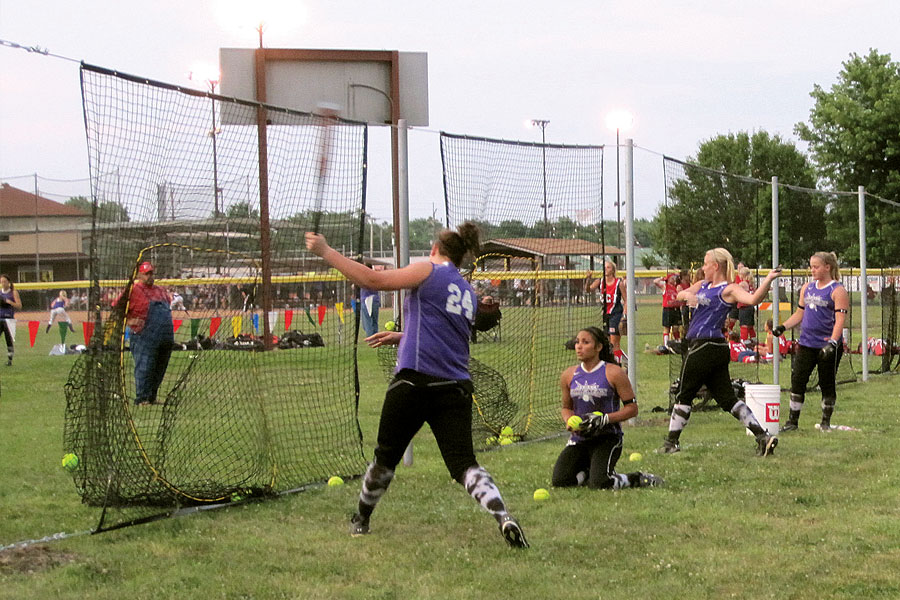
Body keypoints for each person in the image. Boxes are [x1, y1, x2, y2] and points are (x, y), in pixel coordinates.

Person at [305, 222, 528, 549]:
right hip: (455, 386)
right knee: (464, 465)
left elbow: (373, 280)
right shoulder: (465, 290)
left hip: (415, 381)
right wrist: (402, 336)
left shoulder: (427, 269)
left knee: (385, 458)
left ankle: (362, 518)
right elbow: (449, 333)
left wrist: (325, 251)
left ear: (436, 249)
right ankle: (502, 514)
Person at [660, 248, 782, 456]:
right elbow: (682, 293)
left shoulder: (727, 289)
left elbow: (752, 300)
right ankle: (762, 436)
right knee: (727, 399)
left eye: (706, 263)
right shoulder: (704, 285)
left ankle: (671, 443)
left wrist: (769, 279)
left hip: (704, 345)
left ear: (715, 266)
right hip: (713, 348)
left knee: (684, 394)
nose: (703, 267)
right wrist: (689, 296)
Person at [552, 326, 664, 490]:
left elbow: (632, 409)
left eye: (585, 342)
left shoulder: (614, 373)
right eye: (577, 342)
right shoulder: (569, 375)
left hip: (607, 438)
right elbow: (566, 408)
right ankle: (589, 472)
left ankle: (635, 478)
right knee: (560, 481)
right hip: (580, 439)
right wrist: (568, 420)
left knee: (600, 484)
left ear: (599, 347)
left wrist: (604, 419)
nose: (579, 346)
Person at [773, 252, 849, 432]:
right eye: (811, 266)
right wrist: (783, 327)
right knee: (797, 380)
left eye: (816, 267)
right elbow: (800, 313)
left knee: (827, 382)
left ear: (827, 267)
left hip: (826, 345)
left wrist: (832, 342)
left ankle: (825, 422)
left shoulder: (837, 290)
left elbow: (839, 320)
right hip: (807, 343)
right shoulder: (807, 288)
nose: (812, 270)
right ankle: (792, 421)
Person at [122, 261, 173, 406]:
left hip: (164, 336)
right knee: (144, 365)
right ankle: (142, 398)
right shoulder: (133, 290)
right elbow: (117, 308)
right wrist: (130, 321)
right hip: (143, 335)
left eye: (151, 273)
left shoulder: (160, 290)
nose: (149, 276)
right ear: (139, 275)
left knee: (159, 366)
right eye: (146, 274)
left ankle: (152, 396)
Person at [588, 261, 627, 363]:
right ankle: (624, 360)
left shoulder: (619, 283)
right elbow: (588, 289)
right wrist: (588, 279)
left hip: (616, 314)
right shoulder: (600, 281)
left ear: (613, 270)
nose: (606, 269)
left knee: (614, 343)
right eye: (604, 267)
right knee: (608, 342)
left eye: (608, 267)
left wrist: (624, 316)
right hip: (605, 315)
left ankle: (618, 365)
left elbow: (626, 299)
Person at [653, 273, 682, 348]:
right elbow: (655, 281)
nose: (673, 279)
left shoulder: (677, 287)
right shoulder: (665, 287)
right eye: (672, 278)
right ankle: (666, 344)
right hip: (668, 309)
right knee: (667, 327)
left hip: (676, 309)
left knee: (676, 327)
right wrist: (662, 278)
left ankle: (677, 342)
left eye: (674, 278)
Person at [0, 274, 23, 366]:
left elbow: (19, 306)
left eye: (4, 281)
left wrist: (10, 302)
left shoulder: (13, 292)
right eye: (1, 282)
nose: (3, 283)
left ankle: (10, 360)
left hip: (9, 319)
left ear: (8, 282)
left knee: (8, 340)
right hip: (0, 318)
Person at [736, 266, 757, 345]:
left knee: (744, 324)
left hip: (744, 306)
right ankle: (753, 338)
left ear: (742, 275)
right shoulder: (751, 283)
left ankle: (744, 341)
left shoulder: (742, 284)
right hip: (750, 306)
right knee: (750, 325)